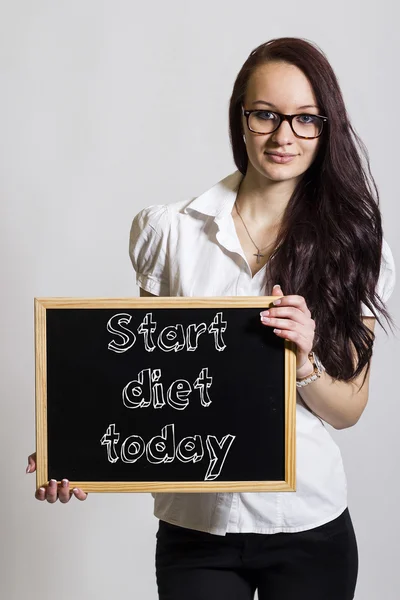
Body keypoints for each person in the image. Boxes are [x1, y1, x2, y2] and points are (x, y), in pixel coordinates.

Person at [27, 37, 396, 600]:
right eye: (266, 114)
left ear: (327, 128)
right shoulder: (169, 231)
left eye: (305, 120)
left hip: (307, 525)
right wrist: (73, 446)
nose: (283, 136)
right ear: (240, 117)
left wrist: (304, 364)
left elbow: (349, 409)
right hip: (195, 527)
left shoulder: (358, 249)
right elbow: (145, 378)